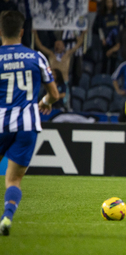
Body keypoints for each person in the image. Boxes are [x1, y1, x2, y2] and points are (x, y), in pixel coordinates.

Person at [0, 11, 59, 236]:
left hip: (1, 123)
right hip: (27, 124)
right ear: (22, 32)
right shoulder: (36, 57)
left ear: (0, 32)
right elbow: (54, 93)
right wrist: (44, 101)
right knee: (14, 179)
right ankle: (7, 216)